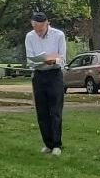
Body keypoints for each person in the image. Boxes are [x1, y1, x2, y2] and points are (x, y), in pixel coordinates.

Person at [24, 9, 67, 155]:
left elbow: (62, 58)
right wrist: (40, 61)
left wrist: (53, 60)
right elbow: (30, 59)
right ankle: (47, 143)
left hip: (54, 74)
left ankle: (57, 144)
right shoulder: (30, 37)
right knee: (41, 111)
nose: (39, 32)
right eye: (36, 29)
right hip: (39, 75)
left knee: (55, 111)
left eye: (41, 29)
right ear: (32, 25)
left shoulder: (58, 35)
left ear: (47, 24)